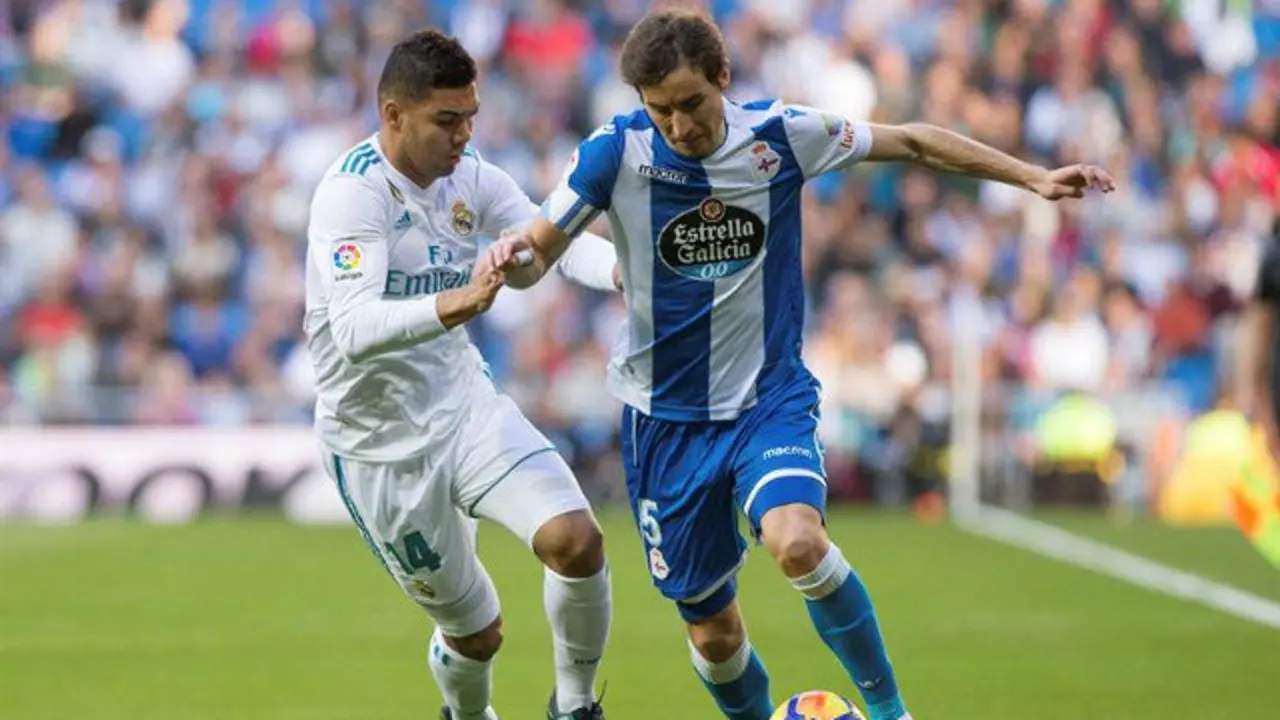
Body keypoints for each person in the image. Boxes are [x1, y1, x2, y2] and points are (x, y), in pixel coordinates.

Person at [481, 9, 1115, 720]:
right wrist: (514, 259)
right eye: (660, 111)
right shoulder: (611, 155)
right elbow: (539, 255)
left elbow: (912, 143)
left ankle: (891, 712)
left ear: (722, 78)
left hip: (766, 400)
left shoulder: (781, 136)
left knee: (797, 541)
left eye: (691, 104)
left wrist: (1030, 176)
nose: (679, 126)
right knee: (714, 633)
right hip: (665, 425)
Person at [304, 28, 621, 720]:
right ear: (393, 115)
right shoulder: (352, 196)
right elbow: (353, 330)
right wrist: (458, 302)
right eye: (447, 121)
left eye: (470, 117)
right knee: (477, 634)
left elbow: (549, 244)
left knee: (576, 540)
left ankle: (574, 708)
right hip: (378, 447)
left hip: (464, 407)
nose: (463, 136)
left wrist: (623, 273)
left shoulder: (471, 176)